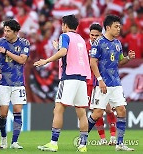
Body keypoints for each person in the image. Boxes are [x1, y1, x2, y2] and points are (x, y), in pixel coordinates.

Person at [34, 14, 91, 152]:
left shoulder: (64, 36)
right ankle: (83, 145)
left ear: (65, 25)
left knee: (58, 109)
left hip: (69, 77)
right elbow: (72, 54)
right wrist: (58, 48)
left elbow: (64, 51)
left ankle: (53, 143)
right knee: (82, 112)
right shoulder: (81, 39)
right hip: (82, 79)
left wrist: (46, 61)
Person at [88, 14, 135, 151]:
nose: (119, 29)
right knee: (97, 114)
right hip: (103, 84)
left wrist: (127, 58)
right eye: (116, 26)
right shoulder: (98, 43)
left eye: (119, 26)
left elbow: (119, 62)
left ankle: (120, 144)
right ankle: (83, 140)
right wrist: (100, 80)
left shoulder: (117, 43)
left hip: (116, 82)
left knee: (122, 110)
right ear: (108, 27)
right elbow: (93, 62)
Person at [0, 19, 30, 149]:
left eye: (8, 31)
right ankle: (3, 138)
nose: (5, 33)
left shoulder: (24, 43)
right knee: (3, 113)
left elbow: (22, 60)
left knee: (17, 111)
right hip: (3, 83)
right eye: (4, 30)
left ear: (16, 32)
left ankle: (14, 141)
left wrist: (6, 52)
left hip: (18, 83)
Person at [87, 24, 116, 145]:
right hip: (89, 83)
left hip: (104, 81)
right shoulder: (84, 46)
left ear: (101, 35)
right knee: (96, 111)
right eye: (92, 35)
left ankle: (113, 137)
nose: (94, 37)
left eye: (96, 35)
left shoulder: (105, 44)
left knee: (108, 109)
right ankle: (103, 139)